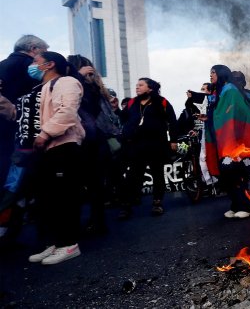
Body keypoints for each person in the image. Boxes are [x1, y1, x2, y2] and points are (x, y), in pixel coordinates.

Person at [27, 51, 85, 265]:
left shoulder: (66, 82)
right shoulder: (41, 88)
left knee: (64, 197)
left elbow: (68, 110)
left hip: (64, 146)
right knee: (48, 198)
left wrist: (45, 133)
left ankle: (69, 244)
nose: (32, 65)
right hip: (48, 148)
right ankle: (54, 243)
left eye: (36, 62)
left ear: (50, 64)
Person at [67, 54, 118, 234]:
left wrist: (80, 78)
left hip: (90, 140)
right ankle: (95, 221)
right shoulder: (80, 84)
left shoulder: (89, 87)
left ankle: (94, 222)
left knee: (91, 183)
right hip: (90, 139)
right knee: (91, 184)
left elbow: (92, 109)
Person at [118, 78, 178, 218]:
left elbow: (172, 121)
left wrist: (173, 140)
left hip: (156, 145)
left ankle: (157, 203)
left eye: (141, 85)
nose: (137, 87)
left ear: (150, 88)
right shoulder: (132, 102)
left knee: (157, 174)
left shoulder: (161, 102)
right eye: (136, 85)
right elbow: (123, 118)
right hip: (136, 145)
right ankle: (126, 206)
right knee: (133, 175)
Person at [211, 69, 250, 218]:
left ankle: (247, 206)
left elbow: (245, 112)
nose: (236, 81)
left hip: (247, 143)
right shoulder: (227, 94)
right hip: (231, 144)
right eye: (234, 79)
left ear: (243, 82)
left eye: (239, 79)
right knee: (229, 173)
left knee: (241, 175)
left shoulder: (246, 95)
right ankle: (236, 205)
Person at [0, 35, 49, 189]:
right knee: (18, 177)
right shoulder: (30, 66)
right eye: (43, 52)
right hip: (22, 132)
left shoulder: (3, 65)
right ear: (33, 49)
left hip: (4, 129)